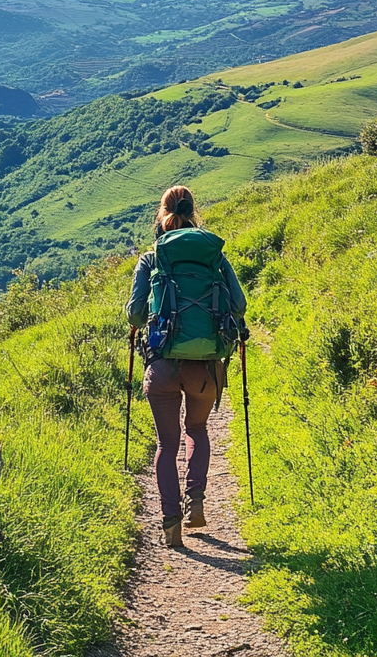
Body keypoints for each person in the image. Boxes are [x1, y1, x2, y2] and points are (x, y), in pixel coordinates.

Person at [126, 185, 247, 549]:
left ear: (161, 215)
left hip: (162, 366)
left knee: (166, 443)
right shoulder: (214, 258)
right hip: (205, 367)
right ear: (194, 212)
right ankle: (195, 500)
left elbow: (134, 313)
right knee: (197, 429)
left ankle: (170, 523)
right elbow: (239, 306)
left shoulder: (151, 259)